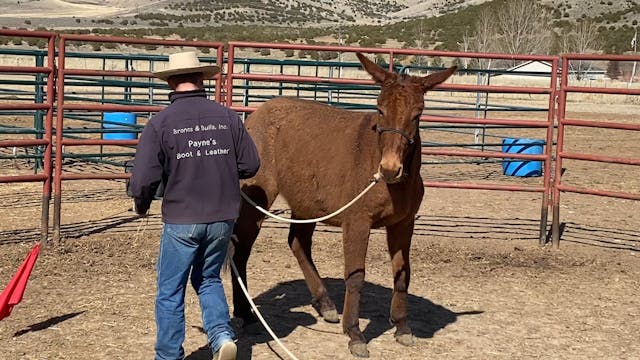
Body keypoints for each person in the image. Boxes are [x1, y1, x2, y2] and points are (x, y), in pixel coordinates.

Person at [130, 51, 260, 360]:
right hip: (223, 216)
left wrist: (141, 203)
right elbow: (251, 164)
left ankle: (168, 355)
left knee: (170, 290)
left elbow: (143, 178)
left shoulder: (161, 123)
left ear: (171, 82)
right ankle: (221, 336)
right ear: (201, 79)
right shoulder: (228, 117)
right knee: (209, 278)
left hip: (182, 216)